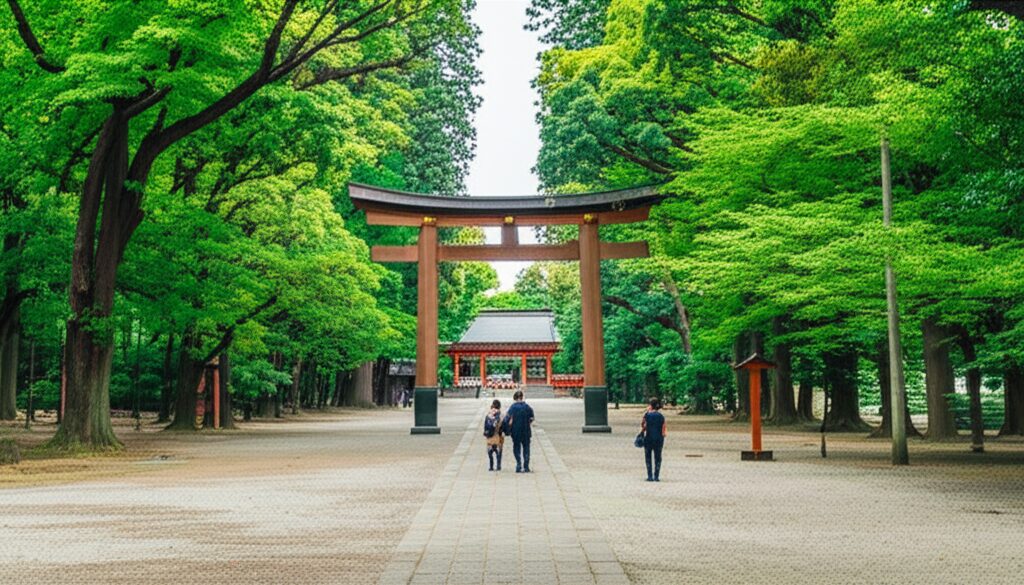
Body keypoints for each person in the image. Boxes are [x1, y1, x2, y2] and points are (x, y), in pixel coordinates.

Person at [503, 390, 535, 473]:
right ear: (521, 397)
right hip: (526, 430)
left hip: (516, 431)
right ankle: (526, 466)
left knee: (516, 447)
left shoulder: (513, 407)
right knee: (526, 448)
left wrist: (507, 429)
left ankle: (518, 464)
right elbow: (532, 418)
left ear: (515, 398)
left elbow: (506, 419)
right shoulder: (527, 407)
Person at [641, 398, 667, 482]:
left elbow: (643, 425)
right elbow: (663, 429)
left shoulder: (647, 415)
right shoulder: (661, 416)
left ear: (651, 406)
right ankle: (656, 476)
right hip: (659, 439)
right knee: (658, 457)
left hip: (649, 438)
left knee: (648, 457)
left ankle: (650, 476)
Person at [483, 399, 504, 471]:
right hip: (498, 435)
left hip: (490, 436)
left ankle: (491, 466)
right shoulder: (500, 414)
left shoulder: (488, 414)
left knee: (490, 453)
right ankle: (498, 465)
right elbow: (502, 425)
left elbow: (485, 426)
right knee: (499, 452)